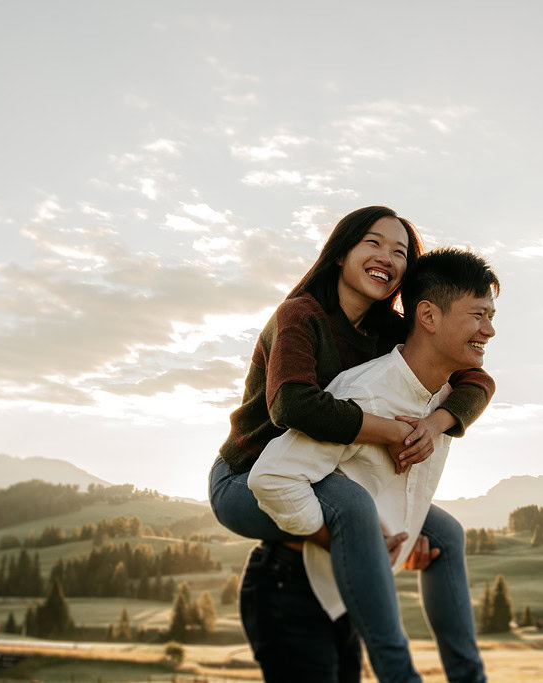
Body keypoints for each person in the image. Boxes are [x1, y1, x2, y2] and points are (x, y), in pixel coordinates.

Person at [208, 207, 495, 680]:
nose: (387, 257)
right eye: (373, 243)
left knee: (444, 534)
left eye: (400, 252)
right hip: (244, 474)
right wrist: (392, 431)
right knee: (355, 510)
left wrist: (435, 423)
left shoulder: (387, 331)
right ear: (341, 253)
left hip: (317, 475)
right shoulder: (301, 315)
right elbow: (293, 407)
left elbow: (477, 378)